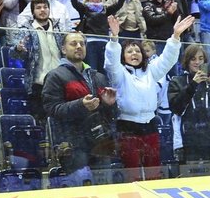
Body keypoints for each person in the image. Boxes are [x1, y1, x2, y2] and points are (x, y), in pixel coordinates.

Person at [104, 13, 194, 177]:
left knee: (154, 171)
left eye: (137, 50)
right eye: (129, 51)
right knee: (133, 173)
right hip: (127, 127)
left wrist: (175, 36)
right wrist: (114, 39)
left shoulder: (151, 70)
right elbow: (111, 63)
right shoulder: (119, 73)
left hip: (150, 125)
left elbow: (167, 59)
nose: (134, 53)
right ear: (122, 56)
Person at [41, 31, 119, 184]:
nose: (79, 46)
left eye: (82, 44)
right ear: (63, 49)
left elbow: (111, 115)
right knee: (80, 196)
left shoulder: (98, 76)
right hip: (74, 145)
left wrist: (110, 105)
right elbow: (52, 109)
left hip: (100, 144)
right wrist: (80, 105)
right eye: (73, 43)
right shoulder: (55, 76)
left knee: (106, 194)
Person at [167, 42, 210, 165]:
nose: (197, 62)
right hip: (187, 143)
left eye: (201, 58)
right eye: (193, 59)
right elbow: (176, 108)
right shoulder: (177, 81)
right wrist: (192, 85)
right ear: (187, 61)